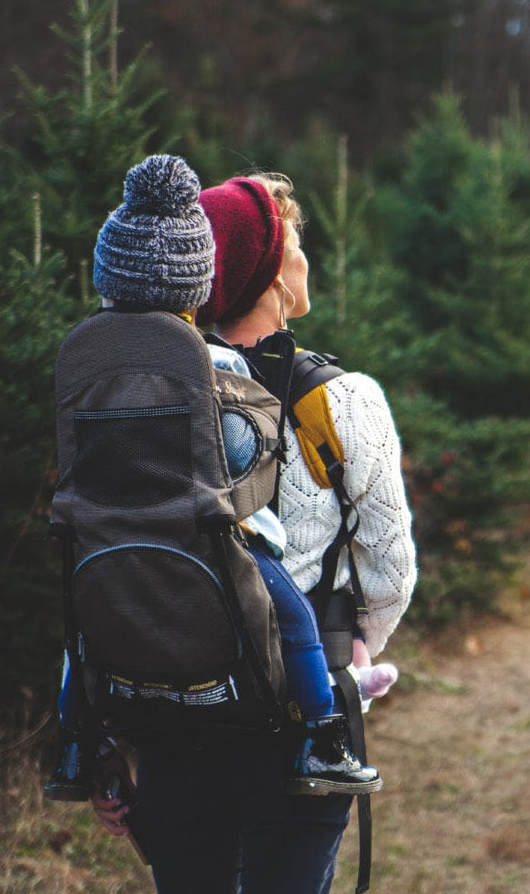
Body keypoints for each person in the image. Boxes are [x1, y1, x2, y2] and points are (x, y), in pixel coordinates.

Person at [89, 167, 417, 892]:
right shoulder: (343, 401)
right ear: (269, 270)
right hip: (300, 726)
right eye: (295, 240)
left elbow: (104, 542)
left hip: (173, 714)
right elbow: (390, 573)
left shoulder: (145, 395)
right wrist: (349, 661)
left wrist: (101, 730)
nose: (305, 255)